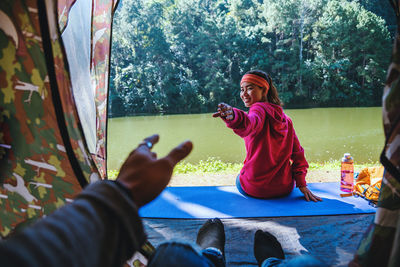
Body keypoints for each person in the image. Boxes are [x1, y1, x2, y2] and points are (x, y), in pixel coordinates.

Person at [213, 70, 321, 202]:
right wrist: (301, 183)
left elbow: (249, 123)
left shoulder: (257, 110)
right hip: (284, 188)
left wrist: (234, 116)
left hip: (256, 189)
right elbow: (298, 154)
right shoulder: (286, 120)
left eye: (250, 88)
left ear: (264, 90)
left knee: (239, 178)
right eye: (242, 89)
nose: (243, 94)